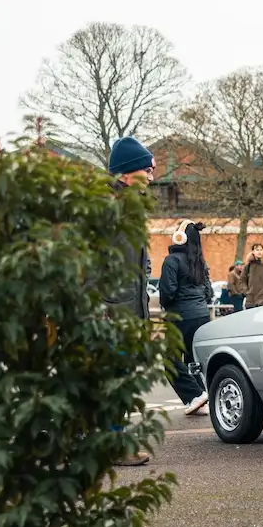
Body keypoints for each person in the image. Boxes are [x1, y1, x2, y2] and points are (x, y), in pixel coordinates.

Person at [104, 137, 157, 467]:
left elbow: (138, 261)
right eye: (147, 169)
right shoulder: (108, 208)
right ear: (126, 173)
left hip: (131, 311)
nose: (151, 177)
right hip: (112, 313)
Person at [159, 219, 213, 416]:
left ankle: (195, 395)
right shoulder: (199, 261)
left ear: (179, 237)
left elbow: (167, 292)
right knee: (193, 360)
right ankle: (202, 399)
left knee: (169, 361)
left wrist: (168, 305)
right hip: (201, 315)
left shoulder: (171, 260)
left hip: (180, 316)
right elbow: (208, 292)